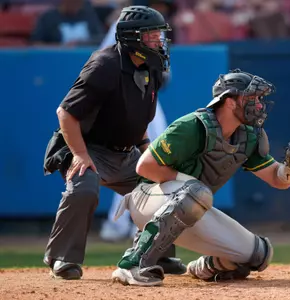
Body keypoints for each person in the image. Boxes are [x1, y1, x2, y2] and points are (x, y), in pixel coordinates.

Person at [109, 69, 290, 286]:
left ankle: (203, 267)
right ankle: (133, 264)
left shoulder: (248, 136)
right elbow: (145, 166)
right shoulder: (193, 126)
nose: (258, 104)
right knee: (196, 193)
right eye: (252, 98)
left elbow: (278, 180)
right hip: (147, 200)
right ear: (229, 101)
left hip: (192, 207)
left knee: (259, 254)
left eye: (259, 99)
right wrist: (191, 186)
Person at [42, 5, 186, 280]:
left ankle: (156, 254)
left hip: (126, 151)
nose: (159, 40)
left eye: (159, 34)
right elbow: (66, 113)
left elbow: (139, 117)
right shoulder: (104, 64)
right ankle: (62, 258)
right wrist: (81, 155)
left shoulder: (152, 66)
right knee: (84, 187)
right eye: (152, 35)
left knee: (166, 187)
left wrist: (149, 153)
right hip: (87, 146)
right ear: (133, 38)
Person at [97, 4, 170, 243]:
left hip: (147, 95)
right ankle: (119, 223)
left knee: (150, 160)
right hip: (126, 95)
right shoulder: (128, 24)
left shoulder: (155, 29)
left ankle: (134, 222)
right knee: (136, 161)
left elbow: (164, 75)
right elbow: (104, 61)